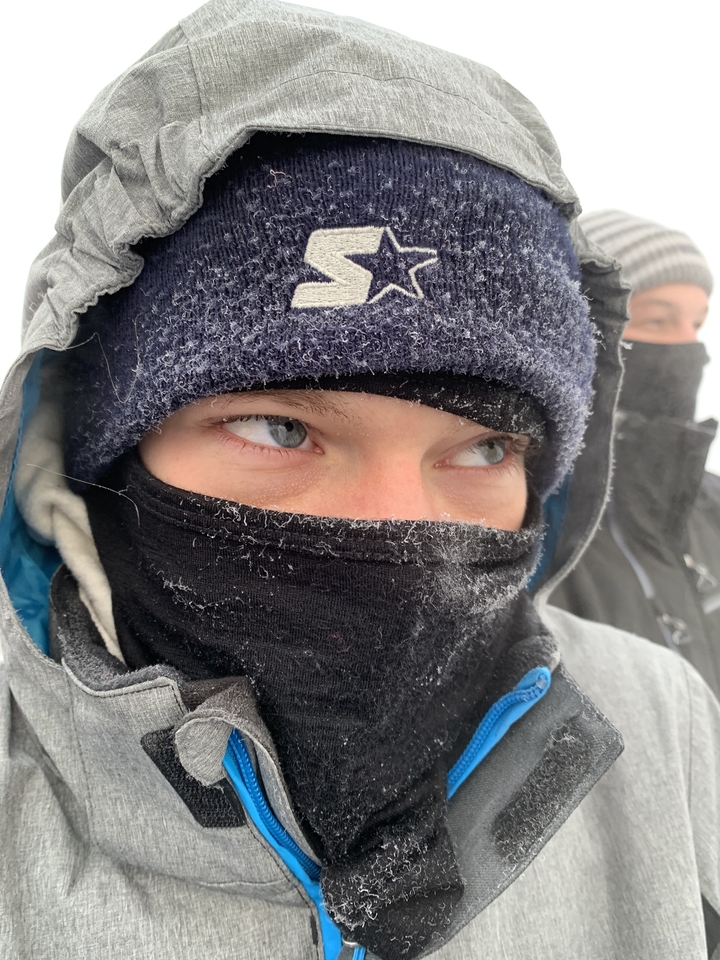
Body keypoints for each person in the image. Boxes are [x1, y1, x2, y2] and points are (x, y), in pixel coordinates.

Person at [0, 3, 718, 958]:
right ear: (108, 445)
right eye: (277, 427)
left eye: (480, 450)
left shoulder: (660, 722)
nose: (399, 531)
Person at [550, 210, 720, 698]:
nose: (688, 346)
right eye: (658, 320)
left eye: (697, 322)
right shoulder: (538, 521)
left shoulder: (708, 503)